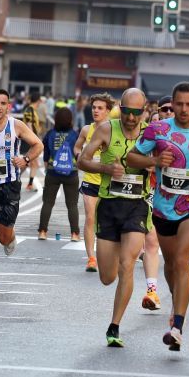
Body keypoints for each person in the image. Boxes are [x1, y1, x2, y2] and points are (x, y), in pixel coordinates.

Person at [126, 82, 189, 352]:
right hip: (163, 207)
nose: (183, 109)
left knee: (182, 260)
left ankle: (177, 326)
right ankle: (176, 304)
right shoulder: (158, 130)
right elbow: (132, 158)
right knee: (171, 265)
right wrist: (155, 162)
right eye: (179, 103)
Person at [77, 88, 155, 347]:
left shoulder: (151, 133)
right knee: (107, 276)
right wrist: (105, 168)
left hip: (137, 206)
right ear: (119, 109)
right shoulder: (106, 130)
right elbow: (83, 161)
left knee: (127, 265)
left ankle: (115, 326)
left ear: (145, 111)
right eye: (126, 112)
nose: (131, 118)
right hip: (109, 206)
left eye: (137, 112)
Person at [0, 89, 42, 292]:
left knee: (2, 236)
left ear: (8, 106)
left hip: (9, 184)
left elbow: (38, 145)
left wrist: (26, 159)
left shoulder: (16, 125)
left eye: (3, 103)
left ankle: (10, 237)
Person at [74, 93, 113, 273]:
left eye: (100, 108)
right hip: (90, 179)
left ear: (107, 111)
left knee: (106, 220)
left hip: (108, 181)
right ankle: (91, 258)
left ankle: (108, 254)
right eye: (94, 107)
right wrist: (78, 155)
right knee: (90, 217)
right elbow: (76, 146)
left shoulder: (113, 130)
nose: (96, 111)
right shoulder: (86, 130)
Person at [37, 107, 80, 240]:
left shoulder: (50, 134)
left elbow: (46, 152)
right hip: (71, 173)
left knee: (48, 203)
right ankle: (74, 234)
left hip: (52, 172)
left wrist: (46, 165)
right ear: (70, 120)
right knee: (72, 205)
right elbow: (79, 152)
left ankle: (42, 232)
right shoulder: (75, 134)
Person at [21, 93, 46, 191]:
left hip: (32, 140)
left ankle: (29, 184)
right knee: (29, 163)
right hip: (30, 141)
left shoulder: (32, 110)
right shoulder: (29, 109)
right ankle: (16, 180)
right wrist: (32, 138)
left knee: (32, 163)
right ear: (39, 100)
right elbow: (28, 124)